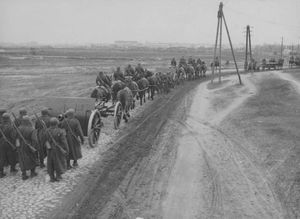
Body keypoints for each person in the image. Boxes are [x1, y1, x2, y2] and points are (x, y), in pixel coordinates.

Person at [44, 117, 69, 182]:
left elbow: (44, 141)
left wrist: (48, 147)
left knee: (50, 163)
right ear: (57, 123)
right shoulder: (60, 131)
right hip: (58, 149)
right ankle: (58, 176)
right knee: (58, 162)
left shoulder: (47, 131)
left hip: (50, 149)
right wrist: (66, 149)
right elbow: (64, 142)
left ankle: (52, 177)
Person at [16, 116, 38, 180]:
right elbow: (34, 140)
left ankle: (24, 174)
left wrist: (18, 146)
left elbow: (16, 138)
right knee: (32, 158)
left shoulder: (18, 128)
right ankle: (32, 173)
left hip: (20, 145)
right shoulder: (31, 129)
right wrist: (34, 147)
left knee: (22, 159)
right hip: (29, 145)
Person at [0, 113, 18, 178]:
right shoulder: (11, 126)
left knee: (2, 157)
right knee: (12, 156)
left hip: (1, 143)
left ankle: (1, 172)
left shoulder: (1, 126)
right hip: (9, 143)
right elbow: (13, 136)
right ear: (8, 118)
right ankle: (12, 169)